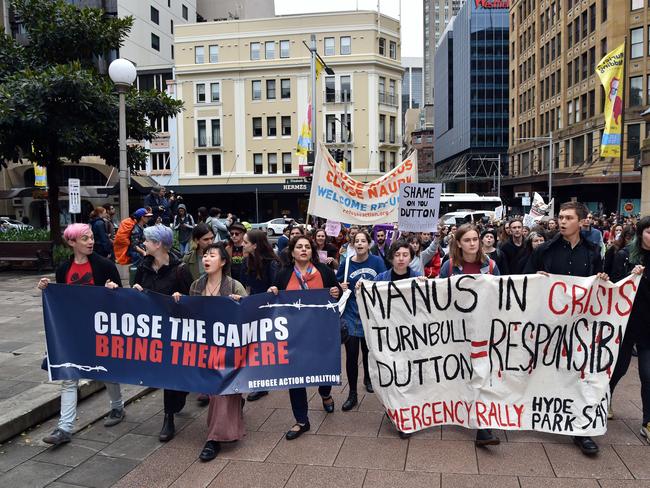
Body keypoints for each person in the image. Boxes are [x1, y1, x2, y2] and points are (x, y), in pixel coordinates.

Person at [525, 202, 608, 456]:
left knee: (580, 375)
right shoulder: (545, 250)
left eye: (568, 218)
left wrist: (602, 281)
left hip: (581, 327)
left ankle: (581, 431)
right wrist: (537, 280)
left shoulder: (594, 251)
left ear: (582, 221)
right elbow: (526, 281)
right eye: (560, 217)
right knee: (547, 372)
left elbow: (600, 285)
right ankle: (540, 414)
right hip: (550, 326)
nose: (562, 221)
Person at [37, 224, 125, 446]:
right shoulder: (63, 269)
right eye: (85, 238)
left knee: (106, 371)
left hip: (100, 329)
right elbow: (61, 299)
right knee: (69, 378)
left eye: (92, 237)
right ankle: (64, 428)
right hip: (73, 331)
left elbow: (122, 297)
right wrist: (47, 287)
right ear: (72, 242)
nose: (90, 241)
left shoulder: (105, 265)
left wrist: (113, 289)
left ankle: (117, 407)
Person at [268, 235, 341, 440]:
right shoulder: (283, 275)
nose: (303, 250)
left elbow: (337, 295)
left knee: (324, 370)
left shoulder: (324, 272)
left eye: (307, 247)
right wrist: (272, 292)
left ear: (312, 251)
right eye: (299, 247)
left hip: (320, 332)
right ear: (292, 252)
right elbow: (275, 302)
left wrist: (336, 293)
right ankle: (302, 420)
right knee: (296, 376)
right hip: (294, 335)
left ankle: (325, 393)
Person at [129, 225, 194, 442]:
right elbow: (136, 293)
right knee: (167, 373)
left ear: (157, 244)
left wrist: (181, 298)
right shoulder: (143, 267)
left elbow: (192, 298)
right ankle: (174, 405)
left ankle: (168, 417)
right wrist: (137, 293)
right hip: (154, 330)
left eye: (147, 241)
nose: (143, 244)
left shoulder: (180, 269)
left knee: (173, 373)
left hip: (176, 330)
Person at [439, 224, 500, 446]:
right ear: (459, 243)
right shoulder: (448, 267)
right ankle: (461, 410)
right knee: (463, 375)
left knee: (482, 375)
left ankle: (483, 427)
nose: (473, 243)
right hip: (457, 331)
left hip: (484, 331)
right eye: (468, 240)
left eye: (476, 239)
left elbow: (502, 294)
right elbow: (438, 297)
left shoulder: (491, 266)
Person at [187, 242, 247, 461]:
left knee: (221, 392)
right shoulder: (195, 286)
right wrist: (178, 302)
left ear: (223, 261)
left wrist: (239, 305)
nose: (206, 259)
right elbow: (189, 316)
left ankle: (213, 439)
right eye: (205, 255)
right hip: (205, 347)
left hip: (230, 350)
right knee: (215, 393)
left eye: (212, 255)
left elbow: (250, 318)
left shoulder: (234, 286)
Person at [609, 216, 650, 440]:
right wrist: (630, 275)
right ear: (641, 233)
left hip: (648, 327)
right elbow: (614, 285)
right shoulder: (625, 256)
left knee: (648, 374)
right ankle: (606, 396)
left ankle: (647, 421)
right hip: (626, 324)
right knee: (619, 368)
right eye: (649, 232)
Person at [337, 230, 386, 409]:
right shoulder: (347, 262)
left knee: (367, 351)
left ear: (368, 244)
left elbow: (384, 283)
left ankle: (368, 378)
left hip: (370, 315)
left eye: (363, 241)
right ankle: (352, 393)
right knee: (351, 355)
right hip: (351, 314)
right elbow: (337, 284)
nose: (359, 244)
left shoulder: (377, 261)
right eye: (356, 241)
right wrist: (339, 286)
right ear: (352, 244)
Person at [241, 229, 280, 402]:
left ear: (255, 245)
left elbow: (276, 288)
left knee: (263, 347)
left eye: (246, 242)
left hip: (268, 310)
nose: (242, 244)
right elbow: (246, 286)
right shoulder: (245, 262)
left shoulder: (272, 264)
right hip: (252, 307)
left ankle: (262, 385)